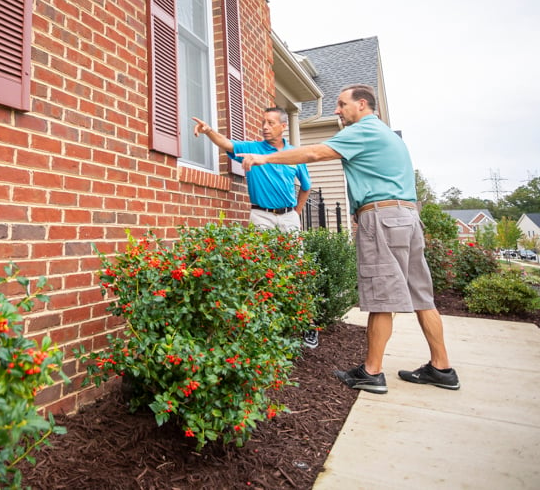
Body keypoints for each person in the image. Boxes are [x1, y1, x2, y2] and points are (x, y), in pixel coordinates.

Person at [238, 85, 460, 394]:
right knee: (422, 296)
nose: (337, 110)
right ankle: (442, 367)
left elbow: (315, 152)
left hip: (383, 218)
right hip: (407, 216)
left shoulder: (365, 129)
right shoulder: (388, 135)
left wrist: (265, 159)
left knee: (381, 296)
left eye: (342, 104)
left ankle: (372, 372)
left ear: (363, 104)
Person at [192, 107, 320, 349]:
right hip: (261, 215)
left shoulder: (295, 154)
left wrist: (296, 213)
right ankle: (264, 323)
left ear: (283, 126)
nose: (264, 126)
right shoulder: (253, 148)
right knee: (261, 267)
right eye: (263, 122)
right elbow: (228, 145)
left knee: (297, 269)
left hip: (288, 215)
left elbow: (306, 186)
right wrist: (209, 131)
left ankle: (306, 323)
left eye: (270, 123)